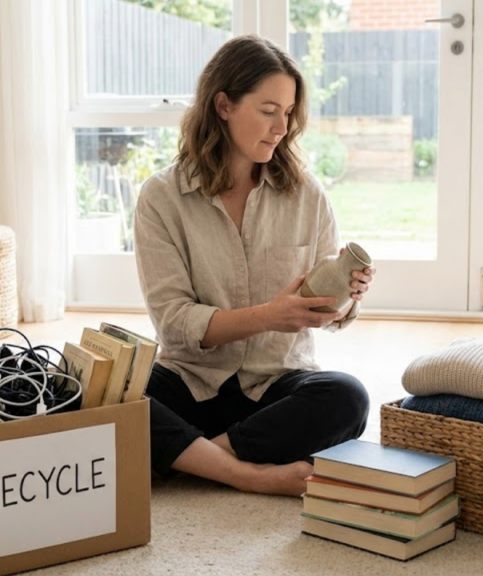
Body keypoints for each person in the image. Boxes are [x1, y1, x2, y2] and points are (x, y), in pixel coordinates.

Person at [133, 34, 375, 497]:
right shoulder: (161, 198)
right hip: (190, 382)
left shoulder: (307, 195)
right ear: (223, 105)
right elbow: (174, 323)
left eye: (287, 113)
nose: (281, 127)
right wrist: (268, 316)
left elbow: (331, 317)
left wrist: (346, 299)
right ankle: (247, 473)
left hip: (276, 386)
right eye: (268, 111)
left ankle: (192, 460)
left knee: (348, 398)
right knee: (105, 393)